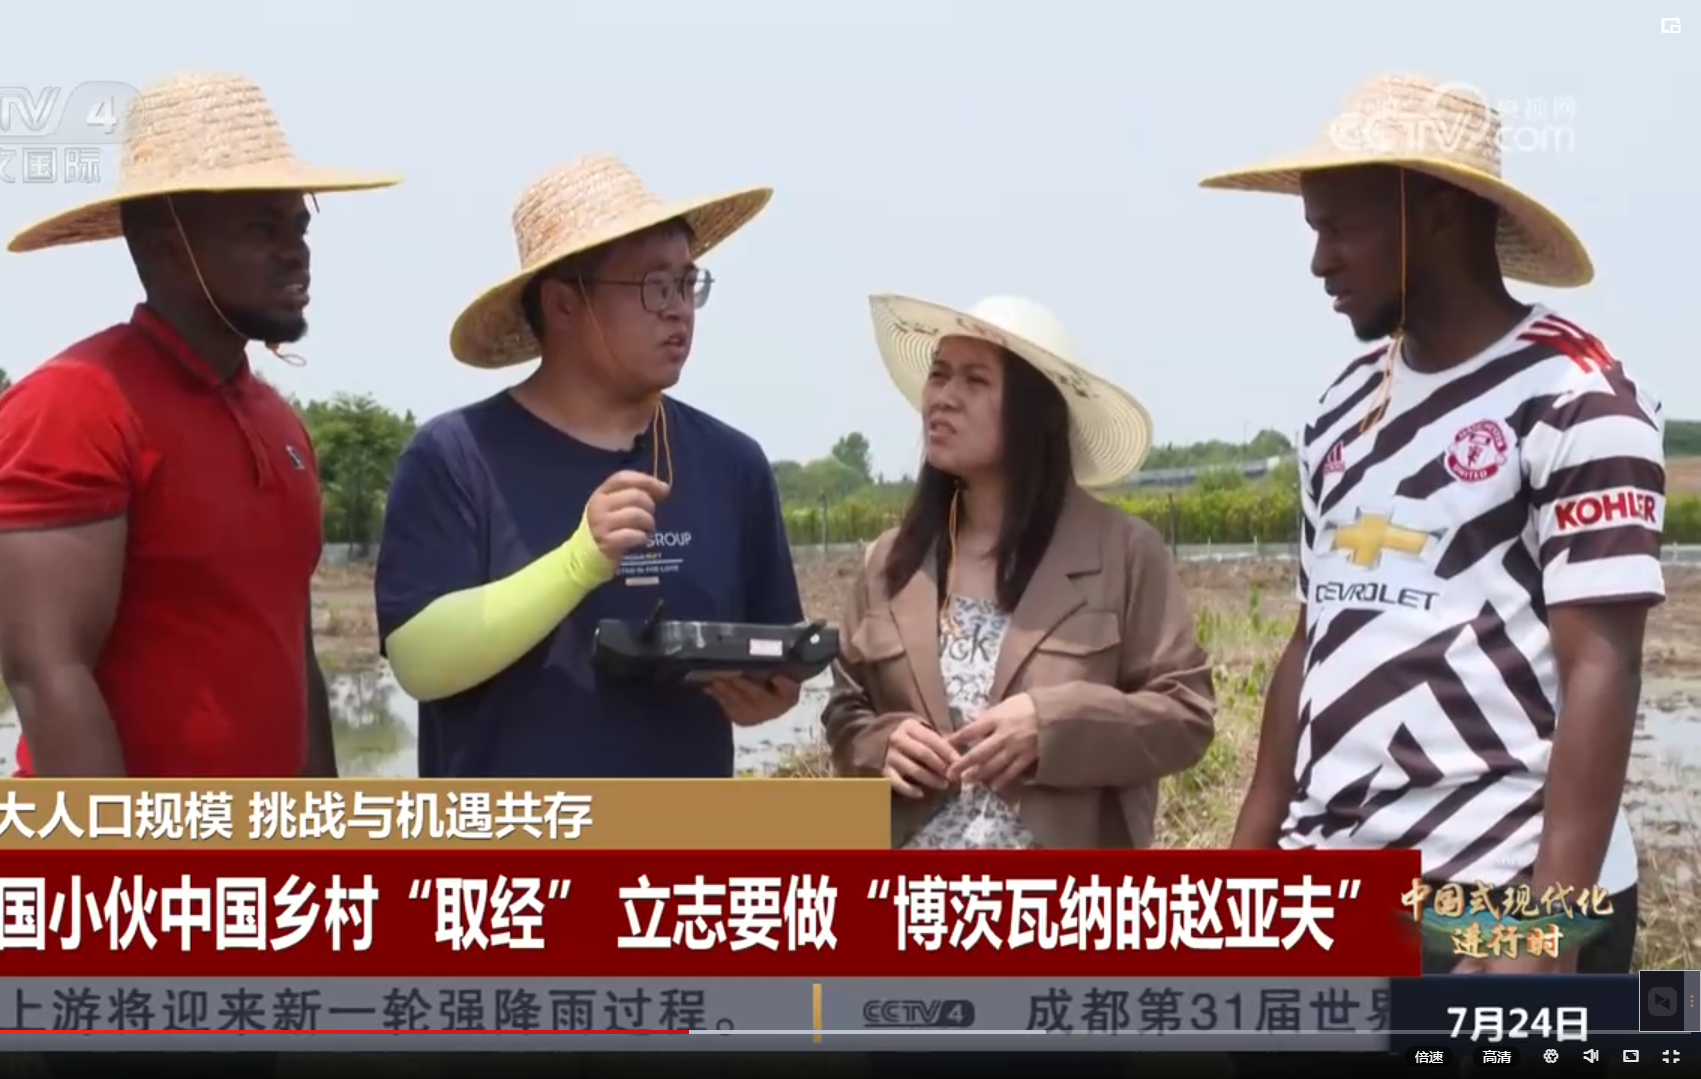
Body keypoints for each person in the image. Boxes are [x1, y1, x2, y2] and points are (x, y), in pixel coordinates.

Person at [1206, 74, 1662, 974]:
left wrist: (1546, 933)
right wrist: (1241, 873)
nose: (1320, 262)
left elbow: (1603, 665)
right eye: (1315, 231)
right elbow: (1312, 640)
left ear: (1440, 212)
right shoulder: (1342, 407)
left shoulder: (1575, 397)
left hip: (1494, 892)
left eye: (1342, 228)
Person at [0, 70, 398, 784]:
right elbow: (48, 674)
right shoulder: (75, 407)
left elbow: (294, 657)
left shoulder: (279, 426)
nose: (296, 251)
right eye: (261, 229)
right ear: (165, 245)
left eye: (298, 227)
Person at [375, 155, 804, 778]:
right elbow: (419, 662)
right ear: (563, 303)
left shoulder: (733, 464)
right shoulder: (456, 458)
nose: (679, 309)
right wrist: (578, 562)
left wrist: (769, 696)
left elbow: (776, 654)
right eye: (654, 286)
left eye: (688, 283)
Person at [823, 293, 1217, 850]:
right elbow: (845, 708)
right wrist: (880, 745)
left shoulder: (1125, 553)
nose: (944, 397)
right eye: (939, 375)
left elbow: (1186, 715)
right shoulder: (890, 563)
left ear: (1035, 412)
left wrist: (1052, 726)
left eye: (975, 380)